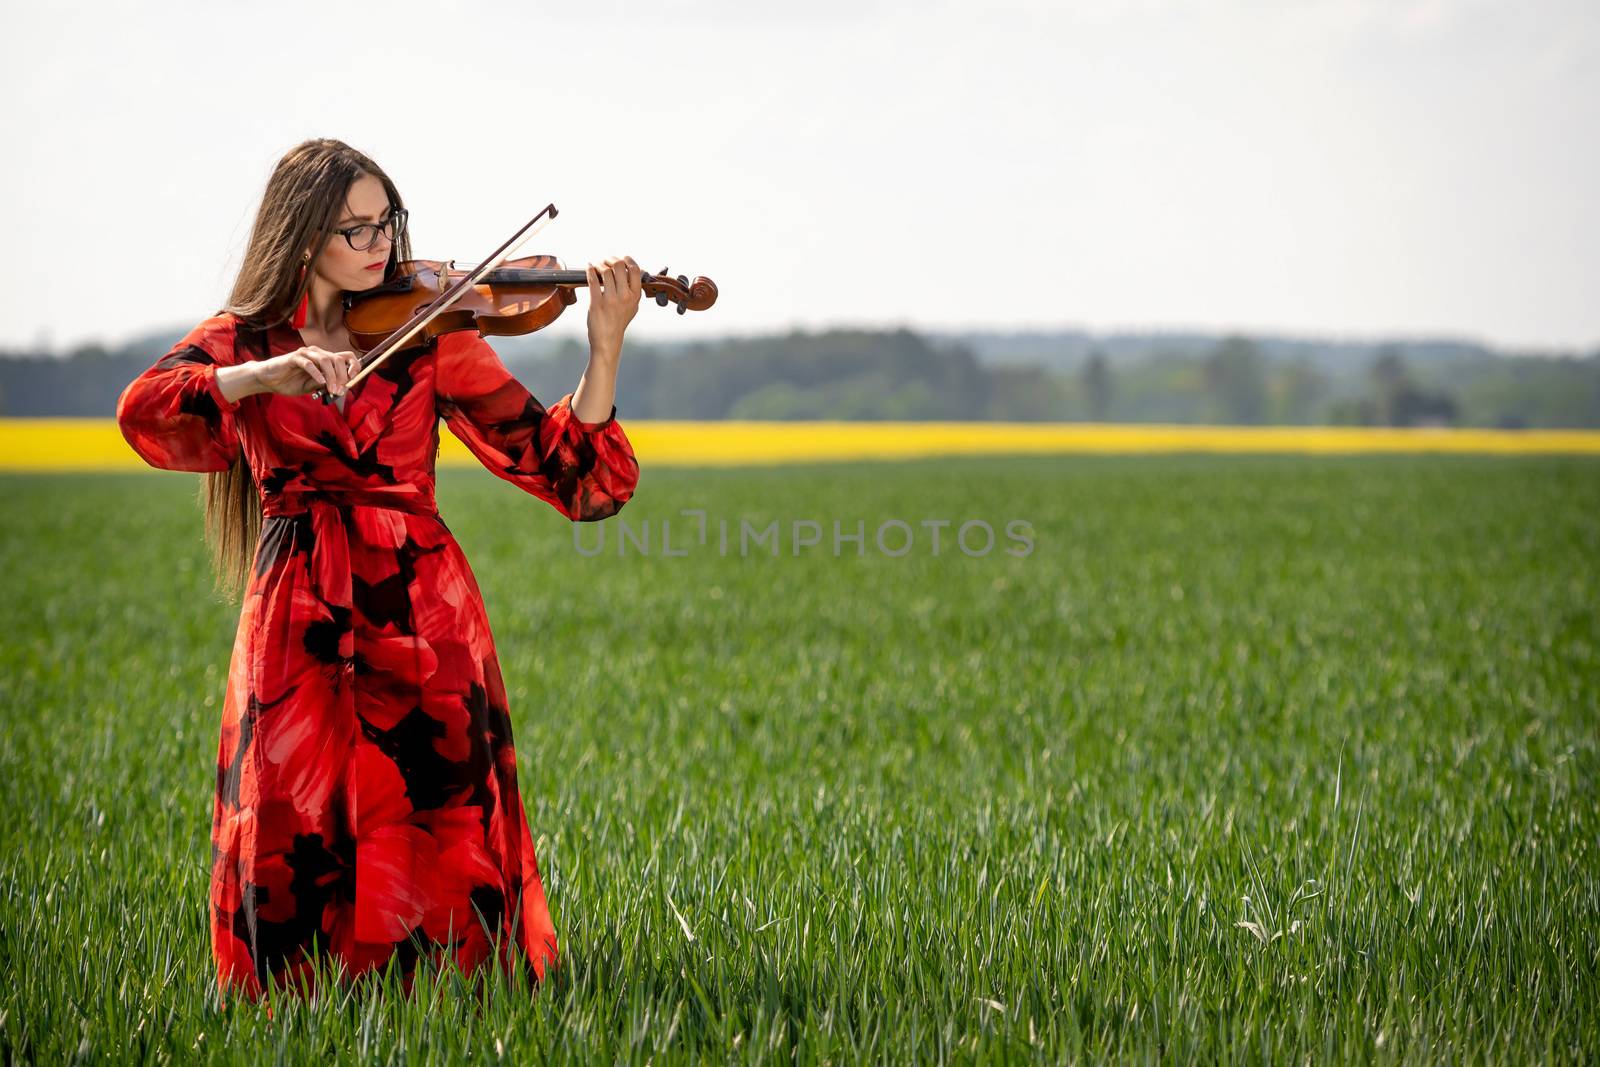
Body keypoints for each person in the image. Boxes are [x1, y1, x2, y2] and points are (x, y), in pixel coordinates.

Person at [115, 137, 642, 1005]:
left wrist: (605, 347)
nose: (378, 247)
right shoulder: (240, 340)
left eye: (385, 224)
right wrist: (263, 375)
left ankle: (455, 1010)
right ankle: (297, 1012)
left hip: (422, 611)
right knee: (294, 809)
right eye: (353, 229)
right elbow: (147, 412)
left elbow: (569, 473)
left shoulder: (431, 336)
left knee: (434, 810)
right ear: (302, 236)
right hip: (297, 613)